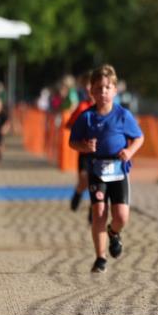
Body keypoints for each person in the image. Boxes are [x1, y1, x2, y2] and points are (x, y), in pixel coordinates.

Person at [68, 65, 145, 273]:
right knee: (99, 211)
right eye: (99, 87)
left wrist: (129, 151)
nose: (103, 91)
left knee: (121, 216)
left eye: (107, 87)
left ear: (114, 90)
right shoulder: (87, 117)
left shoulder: (123, 115)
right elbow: (72, 142)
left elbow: (139, 137)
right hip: (97, 169)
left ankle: (114, 232)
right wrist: (84, 147)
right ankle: (100, 258)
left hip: (119, 169)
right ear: (91, 91)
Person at [66, 73, 95, 216]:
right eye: (86, 86)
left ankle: (93, 208)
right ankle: (78, 193)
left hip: (101, 153)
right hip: (84, 152)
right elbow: (69, 125)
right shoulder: (82, 106)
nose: (89, 89)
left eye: (92, 85)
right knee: (84, 179)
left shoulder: (107, 107)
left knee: (96, 183)